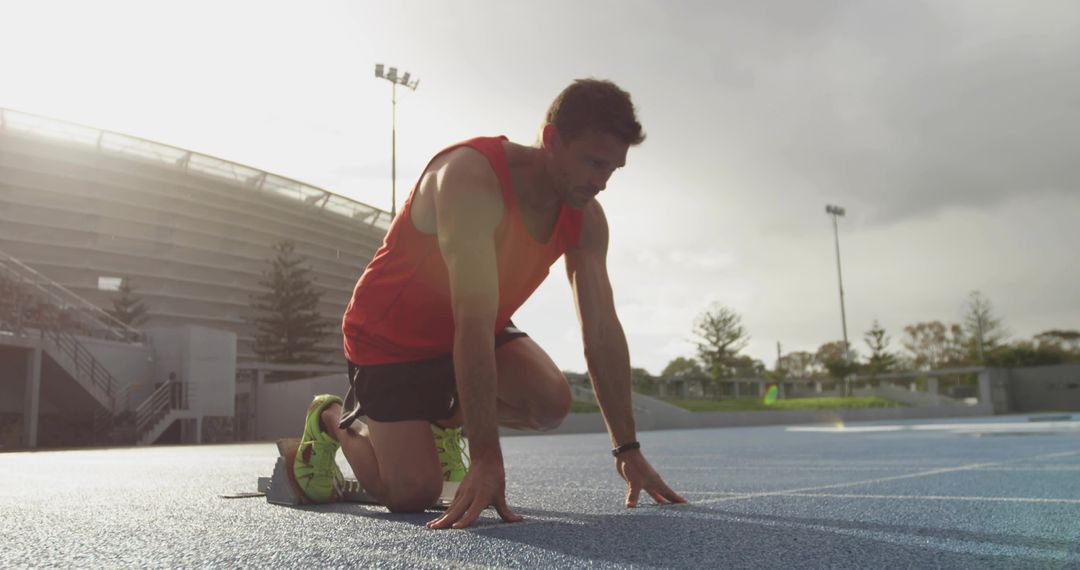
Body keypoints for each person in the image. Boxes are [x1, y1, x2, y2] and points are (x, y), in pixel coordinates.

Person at [283, 78, 687, 529]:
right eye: (594, 163)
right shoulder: (470, 177)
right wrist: (486, 460)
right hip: (388, 338)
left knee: (550, 402)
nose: (603, 182)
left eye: (613, 169)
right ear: (551, 140)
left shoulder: (586, 217)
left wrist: (627, 449)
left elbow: (602, 330)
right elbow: (470, 322)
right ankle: (333, 418)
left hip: (473, 323)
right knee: (412, 493)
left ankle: (437, 421)